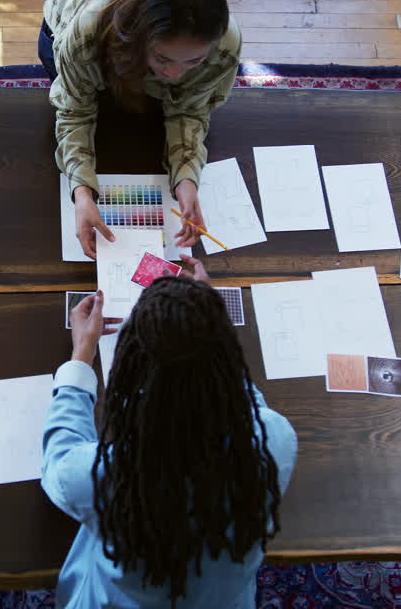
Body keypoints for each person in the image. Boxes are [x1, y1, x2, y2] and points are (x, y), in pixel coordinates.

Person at [42, 256, 297, 608]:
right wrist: (205, 323)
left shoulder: (98, 476)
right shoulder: (274, 439)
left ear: (131, 371)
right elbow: (245, 401)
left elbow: (58, 459)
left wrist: (82, 354)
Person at [41, 0, 242, 259]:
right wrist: (82, 193)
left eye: (194, 61)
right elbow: (75, 111)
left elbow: (190, 110)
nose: (174, 74)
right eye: (163, 58)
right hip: (68, 26)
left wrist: (186, 179)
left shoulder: (225, 44)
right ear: (139, 39)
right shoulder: (86, 34)